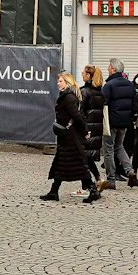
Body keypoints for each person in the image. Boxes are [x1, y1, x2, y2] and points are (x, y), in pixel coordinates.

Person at [42, 72, 101, 203]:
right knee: (61, 163)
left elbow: (77, 116)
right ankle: (54, 191)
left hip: (71, 137)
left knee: (77, 164)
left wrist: (85, 131)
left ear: (67, 83)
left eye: (61, 81)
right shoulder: (66, 96)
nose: (58, 83)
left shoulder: (68, 97)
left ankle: (93, 189)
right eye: (58, 81)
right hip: (67, 137)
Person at [101, 60, 138, 187]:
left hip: (111, 123)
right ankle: (130, 171)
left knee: (108, 150)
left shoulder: (108, 85)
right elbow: (134, 105)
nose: (107, 69)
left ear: (113, 69)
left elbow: (103, 104)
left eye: (109, 67)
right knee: (119, 147)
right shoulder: (130, 85)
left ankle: (111, 180)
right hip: (124, 122)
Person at [79, 64, 109, 193]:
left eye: (84, 72)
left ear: (89, 75)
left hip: (86, 128)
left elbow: (80, 112)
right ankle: (96, 180)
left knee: (82, 156)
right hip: (96, 128)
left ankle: (90, 185)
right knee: (86, 156)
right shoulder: (100, 92)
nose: (81, 74)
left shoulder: (84, 92)